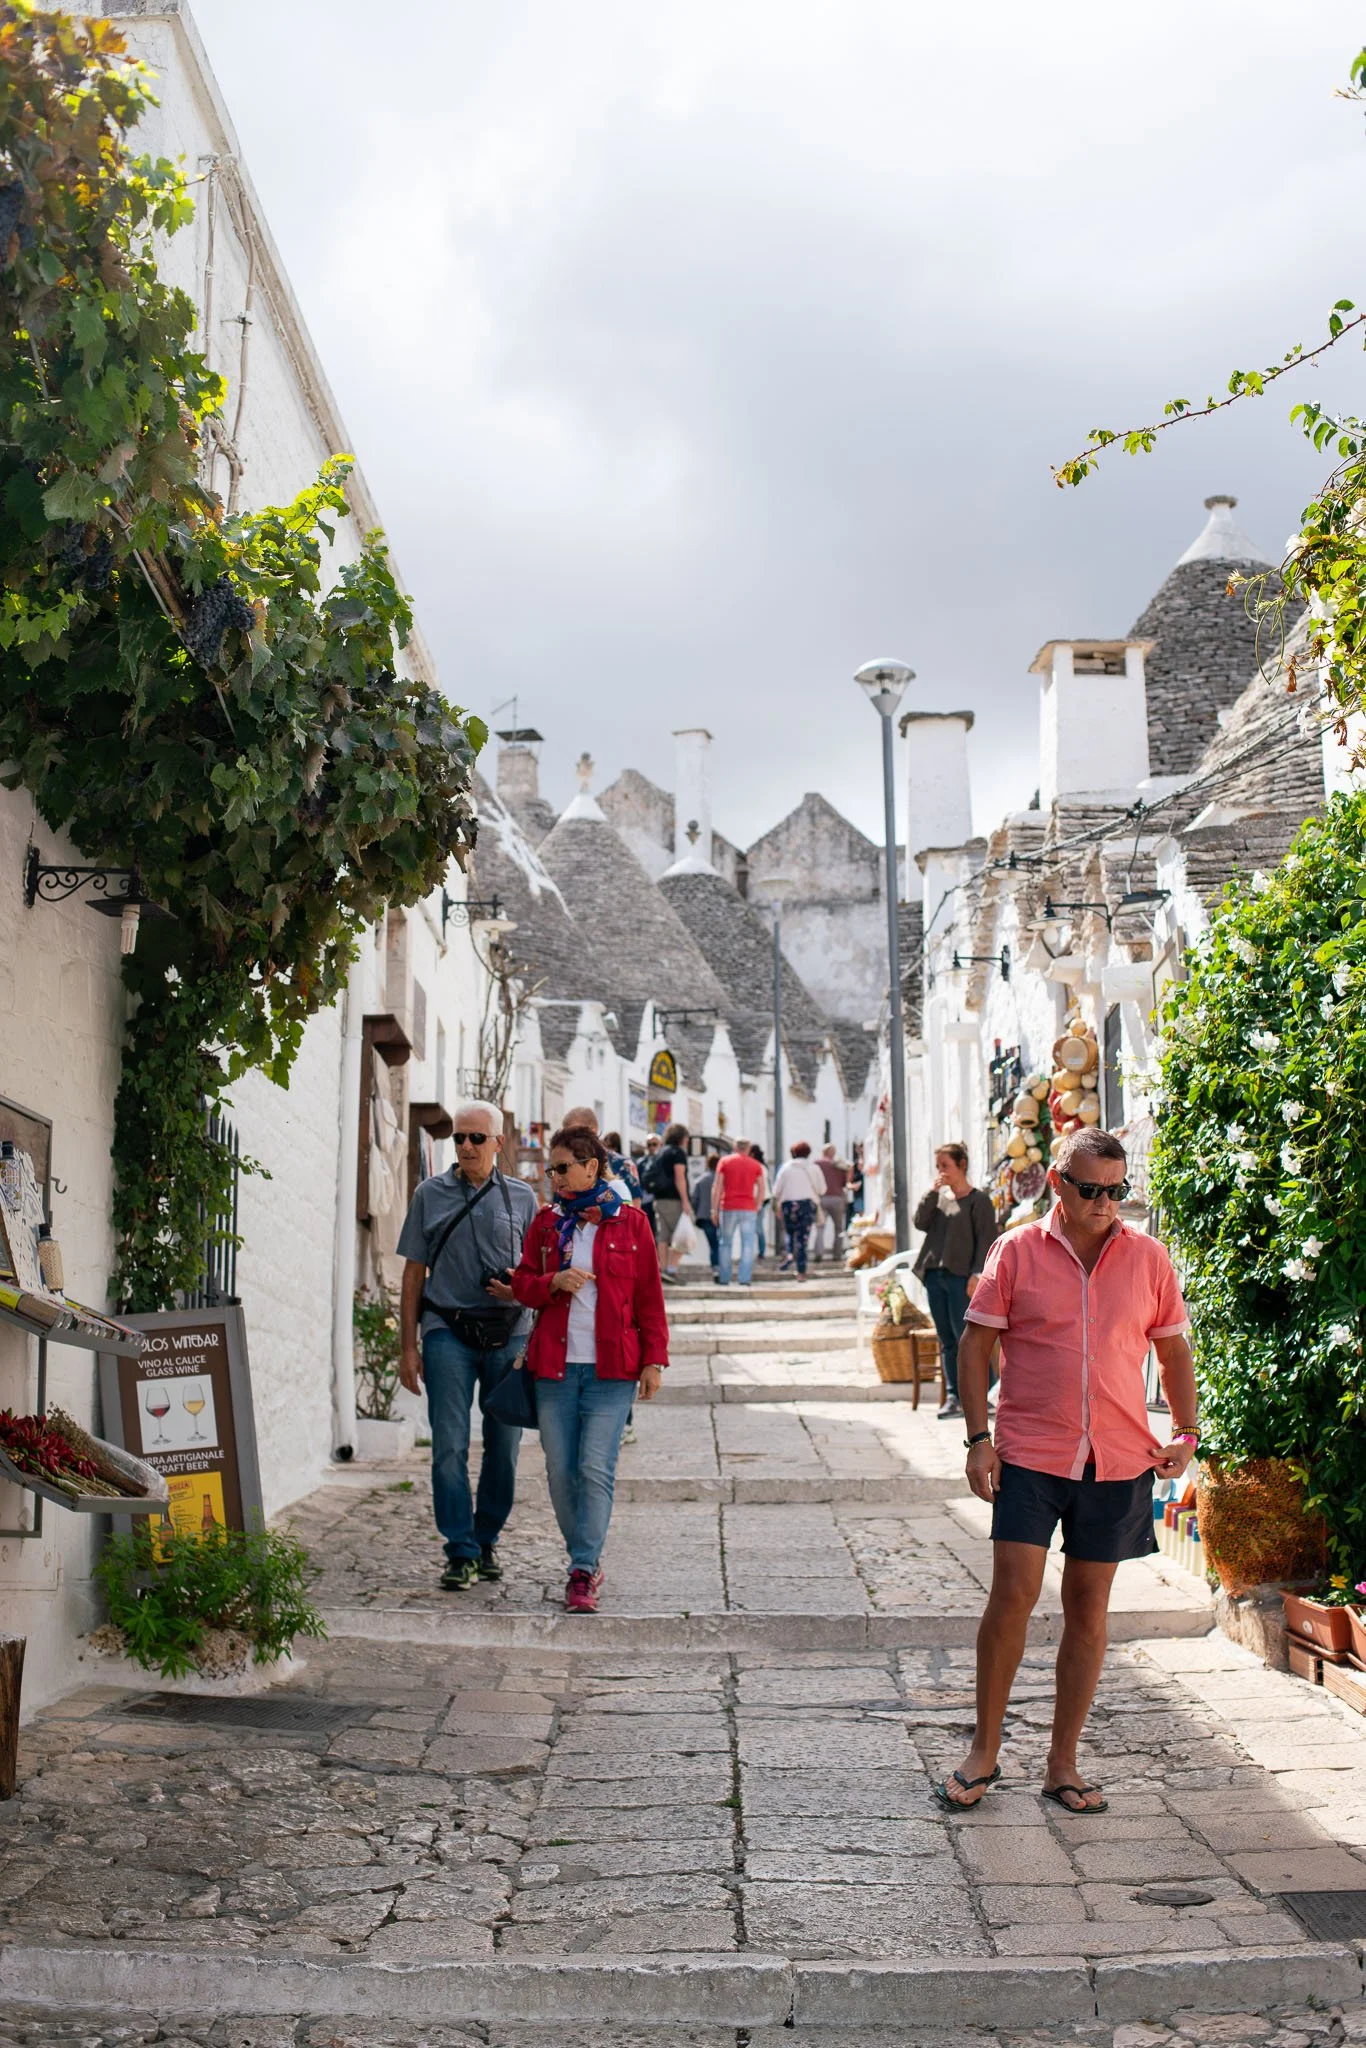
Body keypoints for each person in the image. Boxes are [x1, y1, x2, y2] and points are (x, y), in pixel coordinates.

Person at [934, 1127, 1198, 1815]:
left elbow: (1173, 1352)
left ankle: (1063, 1763)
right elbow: (974, 1347)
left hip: (1117, 1459)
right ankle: (984, 1750)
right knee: (1014, 1593)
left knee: (1088, 1608)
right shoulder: (1016, 1250)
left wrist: (1186, 1432)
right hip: (1030, 1454)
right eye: (1090, 1189)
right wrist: (978, 1439)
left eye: (1117, 1190)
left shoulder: (1149, 1258)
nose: (1105, 1202)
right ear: (1058, 1183)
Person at [509, 1125, 668, 1613]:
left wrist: (654, 1359)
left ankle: (582, 1568)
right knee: (560, 1471)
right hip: (554, 1369)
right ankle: (584, 1554)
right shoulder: (547, 1223)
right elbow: (522, 1285)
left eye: (562, 1168)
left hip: (612, 1371)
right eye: (550, 1169)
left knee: (595, 1468)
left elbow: (649, 1296)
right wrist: (552, 1282)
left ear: (591, 1167)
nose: (554, 1177)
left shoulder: (631, 1223)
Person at [397, 1099, 538, 1590]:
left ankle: (486, 1539)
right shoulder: (429, 1194)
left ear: (498, 1143)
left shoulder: (522, 1198)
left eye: (477, 1138)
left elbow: (538, 1273)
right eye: (459, 1137)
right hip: (447, 1331)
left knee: (504, 1446)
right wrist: (408, 1347)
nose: (467, 1146)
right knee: (449, 1445)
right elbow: (413, 1274)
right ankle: (459, 1549)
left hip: (509, 1332)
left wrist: (520, 1292)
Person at [913, 1143, 999, 1421]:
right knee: (947, 1339)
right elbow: (920, 1222)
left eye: (945, 1165)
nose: (941, 1171)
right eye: (938, 1166)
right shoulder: (940, 1199)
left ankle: (982, 1394)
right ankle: (954, 1396)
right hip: (934, 1275)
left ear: (962, 1165)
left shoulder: (978, 1201)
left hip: (962, 1277)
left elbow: (986, 1240)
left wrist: (977, 1274)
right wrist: (932, 1193)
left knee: (968, 1338)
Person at [643, 1121, 693, 1285]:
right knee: (681, 1235)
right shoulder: (677, 1153)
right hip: (673, 1199)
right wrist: (685, 1201)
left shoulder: (661, 1152)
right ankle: (671, 1269)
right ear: (681, 1138)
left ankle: (662, 1269)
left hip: (659, 1199)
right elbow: (680, 1177)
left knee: (663, 1236)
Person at [713, 1138, 766, 1287]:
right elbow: (762, 1188)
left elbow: (717, 1187)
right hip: (748, 1207)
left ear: (735, 1147)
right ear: (749, 1149)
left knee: (725, 1243)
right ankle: (744, 1278)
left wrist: (714, 1209)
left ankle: (724, 1277)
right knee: (748, 1243)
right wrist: (757, 1205)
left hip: (728, 1206)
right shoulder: (756, 1165)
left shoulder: (725, 1162)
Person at [561, 1105, 640, 1203]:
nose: (568, 1139)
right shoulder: (564, 1165)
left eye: (574, 1133)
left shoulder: (623, 1165)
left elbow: (635, 1206)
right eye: (565, 1134)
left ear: (593, 1131)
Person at [771, 1141, 827, 1278]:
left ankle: (790, 1256)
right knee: (803, 1238)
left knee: (790, 1233)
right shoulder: (814, 1168)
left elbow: (776, 1190)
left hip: (788, 1204)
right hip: (807, 1205)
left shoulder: (785, 1168)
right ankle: (801, 1271)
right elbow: (822, 1189)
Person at [813, 1143, 850, 1262]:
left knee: (820, 1226)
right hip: (837, 1198)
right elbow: (845, 1182)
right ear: (833, 1153)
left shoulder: (817, 1164)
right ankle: (837, 1254)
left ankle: (818, 1253)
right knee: (839, 1228)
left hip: (822, 1198)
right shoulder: (839, 1165)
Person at [693, 1153, 721, 1271]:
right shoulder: (722, 1179)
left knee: (712, 1243)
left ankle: (715, 1266)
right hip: (721, 1214)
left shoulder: (700, 1180)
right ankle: (720, 1266)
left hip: (704, 1216)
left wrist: (696, 1212)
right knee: (721, 1242)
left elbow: (694, 1199)